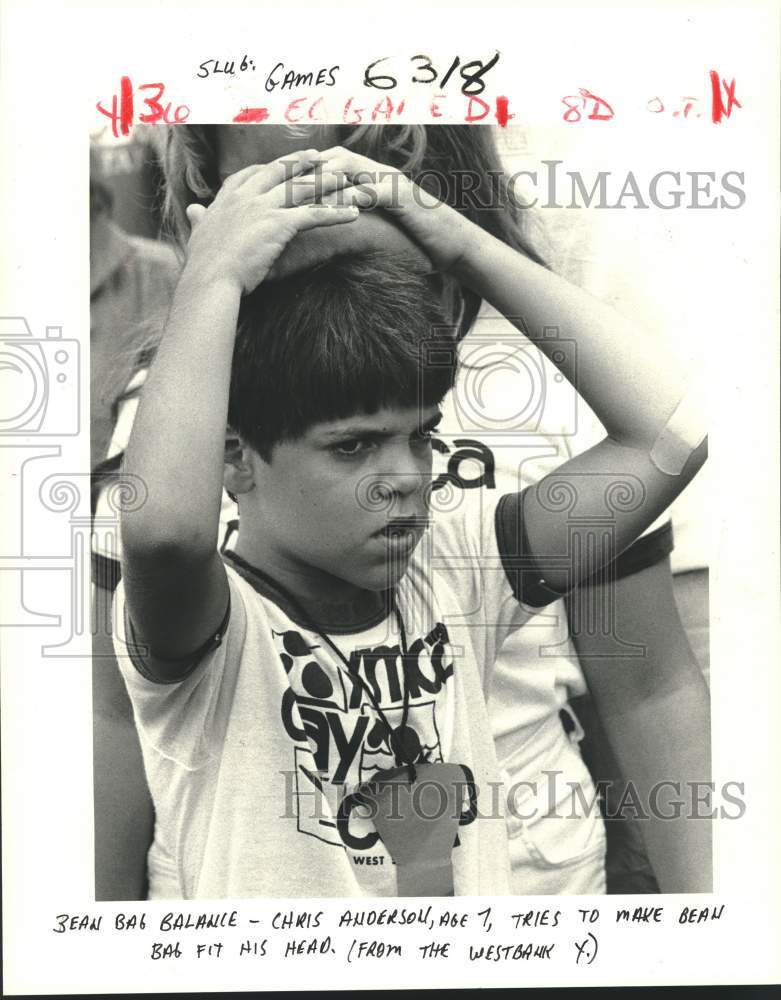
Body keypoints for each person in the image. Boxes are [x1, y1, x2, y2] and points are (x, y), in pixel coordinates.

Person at [93, 123, 712, 898]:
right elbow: (164, 540)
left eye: (422, 438)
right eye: (352, 448)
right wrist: (213, 278)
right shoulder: (215, 590)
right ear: (232, 456)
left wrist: (461, 242)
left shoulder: (453, 565)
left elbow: (671, 438)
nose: (405, 480)